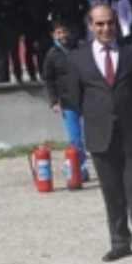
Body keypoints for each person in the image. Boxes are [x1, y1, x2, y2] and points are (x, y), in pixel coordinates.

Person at [65, 4, 132, 264]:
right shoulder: (78, 57)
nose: (106, 29)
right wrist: (99, 112)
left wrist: (127, 108)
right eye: (100, 24)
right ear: (90, 26)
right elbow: (75, 96)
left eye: (110, 23)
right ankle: (119, 241)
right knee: (112, 191)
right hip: (100, 132)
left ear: (117, 24)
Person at [42, 17, 89, 183]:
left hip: (86, 98)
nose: (62, 35)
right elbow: (49, 80)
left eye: (65, 31)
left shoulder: (80, 48)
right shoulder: (52, 55)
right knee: (74, 138)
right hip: (68, 101)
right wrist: (54, 101)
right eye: (59, 32)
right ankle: (81, 169)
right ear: (53, 35)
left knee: (89, 135)